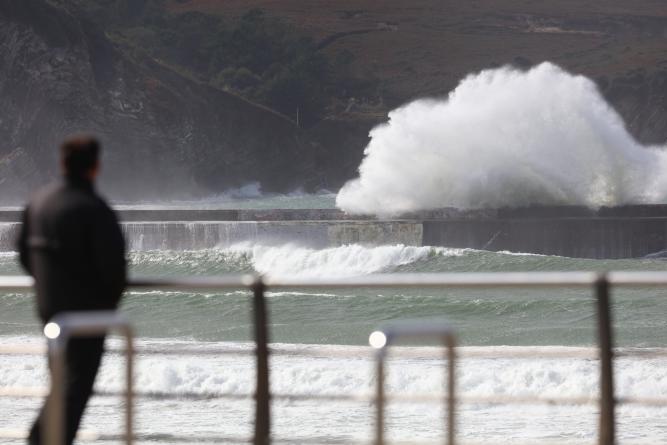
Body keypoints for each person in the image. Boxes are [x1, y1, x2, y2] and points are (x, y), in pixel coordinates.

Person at [17, 135, 126, 445]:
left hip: (51, 314)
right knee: (72, 397)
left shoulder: (38, 202)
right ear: (95, 167)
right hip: (87, 321)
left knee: (61, 389)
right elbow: (115, 271)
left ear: (62, 163)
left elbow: (24, 255)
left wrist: (50, 287)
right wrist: (105, 307)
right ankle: (37, 439)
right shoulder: (95, 209)